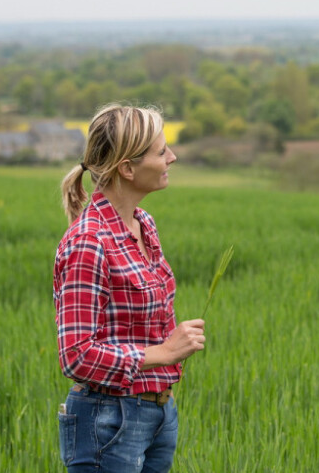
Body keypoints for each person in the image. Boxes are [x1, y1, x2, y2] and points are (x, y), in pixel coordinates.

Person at [53, 104, 205, 473]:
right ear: (127, 168)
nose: (172, 157)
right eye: (160, 151)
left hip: (158, 413)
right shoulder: (89, 242)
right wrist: (163, 352)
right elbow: (76, 355)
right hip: (109, 419)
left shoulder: (144, 224)